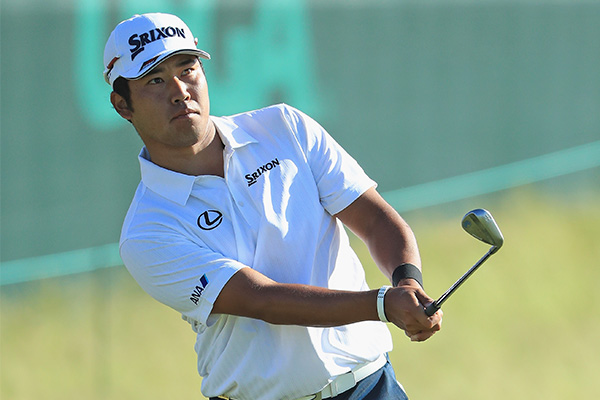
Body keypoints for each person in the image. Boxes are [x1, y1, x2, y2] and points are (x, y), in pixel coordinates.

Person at [104, 12, 442, 400]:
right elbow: (262, 299)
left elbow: (373, 218)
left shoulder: (284, 127)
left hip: (370, 385)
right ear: (122, 105)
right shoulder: (147, 230)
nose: (180, 91)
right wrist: (383, 305)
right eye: (155, 80)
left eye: (188, 69)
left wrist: (407, 282)